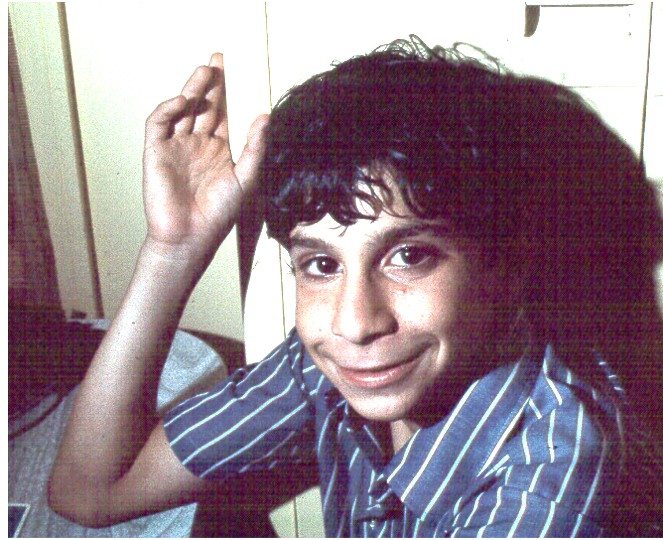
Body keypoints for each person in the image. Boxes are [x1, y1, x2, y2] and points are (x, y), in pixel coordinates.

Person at [49, 37, 662, 537]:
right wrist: (175, 248)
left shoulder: (550, 478)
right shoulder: (334, 361)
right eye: (321, 264)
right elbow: (90, 491)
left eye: (409, 257)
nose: (353, 322)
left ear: (507, 263)